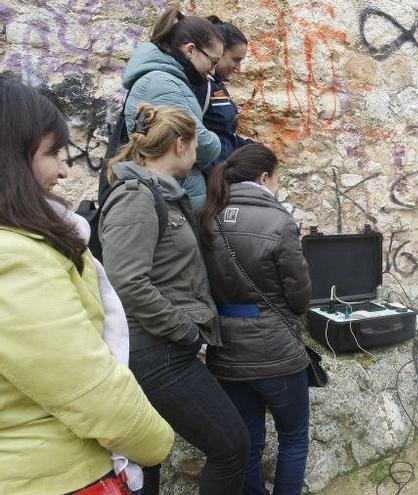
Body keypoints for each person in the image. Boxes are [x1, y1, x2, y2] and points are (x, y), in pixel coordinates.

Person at [0, 79, 174, 494]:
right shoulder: (13, 256)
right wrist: (156, 444)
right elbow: (87, 389)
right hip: (57, 476)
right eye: (51, 153)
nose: (63, 169)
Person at [100, 103, 250, 495]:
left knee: (148, 459)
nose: (200, 154)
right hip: (156, 350)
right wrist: (186, 331)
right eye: (196, 145)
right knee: (231, 446)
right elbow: (127, 283)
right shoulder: (135, 196)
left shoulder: (163, 196)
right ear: (181, 144)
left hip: (164, 347)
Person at [199, 144, 312, 495]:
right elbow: (299, 297)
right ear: (264, 177)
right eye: (276, 179)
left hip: (226, 351)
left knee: (248, 441)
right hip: (276, 352)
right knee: (293, 438)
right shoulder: (279, 221)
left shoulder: (207, 216)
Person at [121, 7, 224, 212]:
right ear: (190, 50)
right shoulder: (162, 83)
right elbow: (199, 143)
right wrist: (216, 140)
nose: (212, 71)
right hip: (167, 201)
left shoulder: (169, 80)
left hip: (172, 195)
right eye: (212, 61)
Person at [194, 16, 255, 178]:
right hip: (211, 180)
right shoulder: (201, 87)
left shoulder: (216, 86)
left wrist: (254, 149)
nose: (238, 68)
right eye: (236, 60)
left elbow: (226, 136)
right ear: (219, 52)